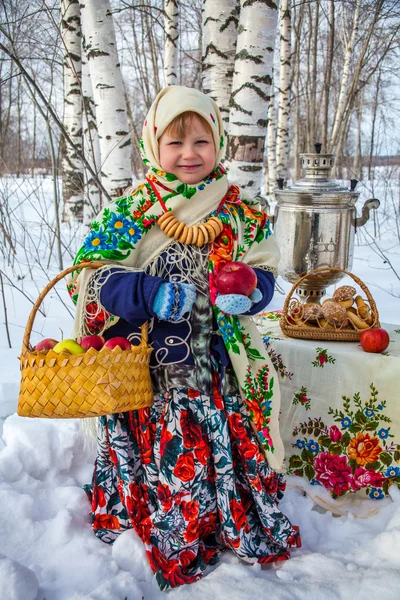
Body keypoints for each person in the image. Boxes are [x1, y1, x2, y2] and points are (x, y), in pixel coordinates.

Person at [68, 86, 300, 591]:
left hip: (216, 369)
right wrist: (144, 292)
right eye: (176, 143)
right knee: (171, 456)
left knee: (226, 444)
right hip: (146, 375)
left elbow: (263, 270)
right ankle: (171, 524)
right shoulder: (129, 212)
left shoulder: (240, 211)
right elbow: (86, 278)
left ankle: (223, 521)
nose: (190, 154)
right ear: (154, 145)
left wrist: (251, 293)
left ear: (218, 142)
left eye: (201, 141)